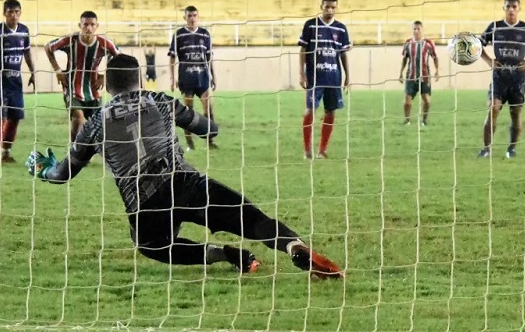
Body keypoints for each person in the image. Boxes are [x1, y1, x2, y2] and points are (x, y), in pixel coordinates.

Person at [25, 54, 343, 279]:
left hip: (144, 204)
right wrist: (188, 123)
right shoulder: (162, 101)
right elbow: (210, 129)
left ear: (107, 86)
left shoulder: (94, 123)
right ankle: (294, 247)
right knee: (252, 219)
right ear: (139, 80)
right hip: (187, 183)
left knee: (151, 246)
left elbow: (63, 174)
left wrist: (44, 170)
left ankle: (223, 254)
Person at [477, 0, 525, 159]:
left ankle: (511, 149)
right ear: (504, 9)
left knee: (516, 113)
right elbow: (477, 44)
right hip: (499, 78)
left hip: (517, 79)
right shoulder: (495, 27)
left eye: (514, 6)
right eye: (508, 6)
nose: (511, 9)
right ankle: (486, 149)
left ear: (519, 8)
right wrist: (489, 60)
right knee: (492, 109)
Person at [45, 11, 119, 142]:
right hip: (72, 88)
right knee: (78, 118)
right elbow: (48, 47)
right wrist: (57, 69)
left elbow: (119, 57)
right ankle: (73, 149)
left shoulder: (104, 43)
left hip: (93, 90)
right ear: (80, 25)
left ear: (97, 26)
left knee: (96, 126)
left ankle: (86, 152)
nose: (89, 28)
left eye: (92, 25)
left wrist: (105, 75)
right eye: (85, 25)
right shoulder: (70, 40)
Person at [0, 0, 36, 165]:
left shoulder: (24, 31)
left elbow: (27, 53)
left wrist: (32, 72)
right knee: (0, 117)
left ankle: (6, 152)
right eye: (10, 12)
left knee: (15, 117)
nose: (14, 15)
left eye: (17, 12)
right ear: (4, 14)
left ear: (20, 13)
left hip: (15, 82)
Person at [298, 0, 352, 160]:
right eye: (327, 7)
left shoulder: (341, 29)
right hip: (315, 77)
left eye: (333, 7)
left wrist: (348, 76)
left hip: (334, 77)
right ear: (321, 6)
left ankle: (322, 150)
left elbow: (343, 54)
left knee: (331, 112)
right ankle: (307, 150)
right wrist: (301, 73)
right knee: (310, 110)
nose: (330, 10)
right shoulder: (310, 26)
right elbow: (303, 50)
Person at [168, 6, 217, 151]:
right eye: (189, 16)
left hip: (202, 77)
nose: (192, 18)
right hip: (186, 78)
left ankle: (210, 141)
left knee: (208, 108)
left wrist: (213, 76)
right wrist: (172, 78)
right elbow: (172, 57)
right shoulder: (179, 35)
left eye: (195, 15)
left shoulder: (205, 34)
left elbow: (209, 57)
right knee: (188, 112)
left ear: (198, 17)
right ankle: (190, 143)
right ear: (185, 18)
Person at [398, 21, 439, 126]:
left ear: (422, 30)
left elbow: (435, 57)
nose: (416, 31)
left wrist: (437, 70)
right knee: (407, 102)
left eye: (418, 29)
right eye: (414, 29)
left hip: (424, 77)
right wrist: (401, 73)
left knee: (427, 101)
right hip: (411, 77)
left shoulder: (428, 43)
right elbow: (404, 59)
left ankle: (424, 120)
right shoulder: (408, 43)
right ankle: (407, 121)